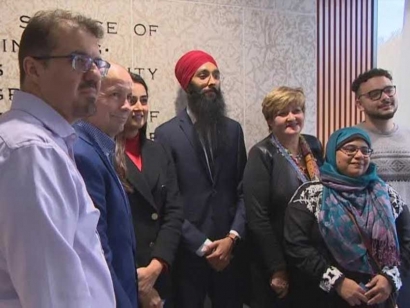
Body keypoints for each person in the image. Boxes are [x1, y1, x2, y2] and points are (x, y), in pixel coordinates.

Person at [0, 9, 115, 307]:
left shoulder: (41, 142)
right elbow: (52, 295)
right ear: (34, 69)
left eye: (97, 63)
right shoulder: (31, 151)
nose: (94, 74)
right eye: (80, 61)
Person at [154, 50, 247, 307]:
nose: (211, 82)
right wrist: (203, 245)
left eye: (216, 75)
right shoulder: (166, 135)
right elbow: (167, 202)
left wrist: (232, 237)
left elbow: (243, 191)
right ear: (187, 84)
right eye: (203, 75)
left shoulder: (233, 130)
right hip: (189, 255)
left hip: (230, 253)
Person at [284, 127, 410, 308]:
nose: (359, 155)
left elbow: (407, 239)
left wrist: (390, 278)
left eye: (365, 150)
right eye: (350, 149)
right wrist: (337, 281)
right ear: (332, 152)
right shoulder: (312, 194)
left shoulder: (385, 194)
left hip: (379, 298)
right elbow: (295, 245)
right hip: (325, 298)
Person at [242, 86, 323, 307]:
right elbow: (257, 218)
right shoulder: (261, 154)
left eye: (296, 110)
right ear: (269, 120)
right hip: (279, 261)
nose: (291, 118)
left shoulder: (314, 146)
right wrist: (277, 268)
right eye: (282, 113)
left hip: (315, 258)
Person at [114, 73, 183, 308]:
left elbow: (173, 212)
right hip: (125, 277)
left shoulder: (159, 151)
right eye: (132, 100)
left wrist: (157, 266)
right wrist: (140, 282)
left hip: (160, 273)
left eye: (144, 100)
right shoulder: (104, 153)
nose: (139, 107)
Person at [73, 63, 138, 307]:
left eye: (129, 98)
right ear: (91, 94)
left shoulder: (99, 148)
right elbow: (98, 251)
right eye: (115, 95)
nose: (127, 106)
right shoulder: (82, 153)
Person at [353, 68, 410, 306]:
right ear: (359, 103)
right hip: (371, 255)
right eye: (375, 94)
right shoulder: (350, 143)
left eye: (388, 90)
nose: (385, 97)